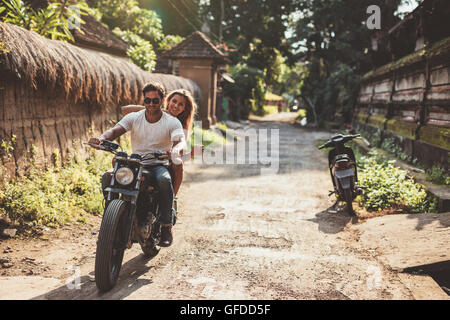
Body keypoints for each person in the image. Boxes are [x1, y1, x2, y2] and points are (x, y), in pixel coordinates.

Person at [89, 82, 186, 247]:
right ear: (144, 101)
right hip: (135, 163)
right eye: (147, 101)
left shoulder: (171, 122)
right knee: (107, 178)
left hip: (157, 164)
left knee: (164, 180)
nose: (150, 104)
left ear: (162, 101)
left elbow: (180, 141)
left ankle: (166, 226)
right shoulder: (134, 117)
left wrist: (176, 150)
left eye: (155, 101)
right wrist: (102, 139)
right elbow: (115, 131)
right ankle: (110, 222)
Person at [120, 89, 197, 197]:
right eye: (174, 101)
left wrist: (189, 154)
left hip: (164, 162)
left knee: (177, 164)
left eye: (180, 104)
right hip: (141, 158)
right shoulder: (154, 113)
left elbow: (181, 153)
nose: (176, 106)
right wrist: (150, 109)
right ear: (168, 101)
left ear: (184, 108)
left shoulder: (181, 126)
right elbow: (124, 110)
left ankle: (171, 199)